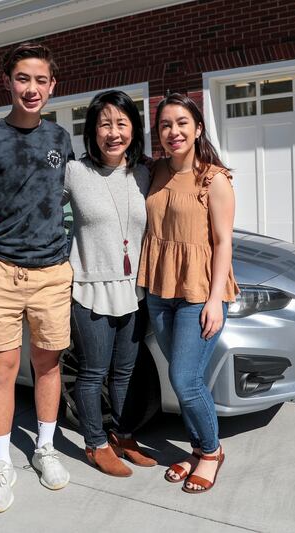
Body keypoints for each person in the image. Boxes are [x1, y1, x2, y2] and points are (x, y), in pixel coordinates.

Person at [0, 41, 74, 513]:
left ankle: (45, 448)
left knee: (48, 366)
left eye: (40, 80)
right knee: (2, 370)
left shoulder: (61, 139)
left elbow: (74, 193)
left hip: (51, 271)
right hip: (0, 272)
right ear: (7, 82)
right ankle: (3, 464)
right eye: (23, 79)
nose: (32, 88)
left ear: (52, 85)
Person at [137, 93, 238, 494]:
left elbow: (223, 242)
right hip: (160, 290)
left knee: (186, 378)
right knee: (181, 380)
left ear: (197, 128)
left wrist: (215, 299)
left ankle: (211, 453)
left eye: (181, 123)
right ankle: (197, 448)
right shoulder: (154, 170)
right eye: (165, 125)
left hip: (198, 292)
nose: (173, 131)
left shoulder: (214, 179)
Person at [63, 90, 157, 476]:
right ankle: (95, 443)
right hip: (89, 288)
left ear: (134, 128)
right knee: (92, 372)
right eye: (105, 124)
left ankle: (123, 435)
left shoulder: (145, 173)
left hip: (134, 288)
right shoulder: (74, 173)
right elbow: (35, 206)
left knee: (125, 373)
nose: (113, 133)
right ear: (92, 131)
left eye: (121, 123)